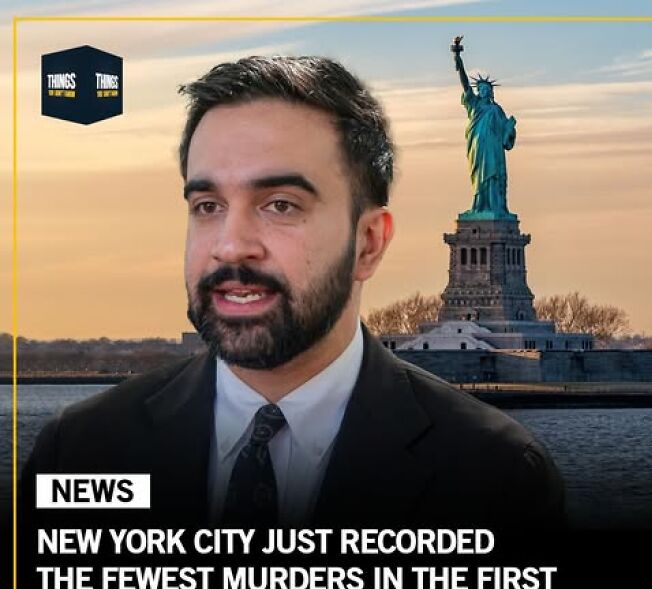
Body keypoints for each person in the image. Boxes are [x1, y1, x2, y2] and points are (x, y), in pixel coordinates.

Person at [21, 55, 564, 529]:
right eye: (207, 206)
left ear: (368, 244)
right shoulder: (78, 454)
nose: (231, 247)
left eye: (281, 204)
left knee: (489, 177)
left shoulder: (495, 476)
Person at [452, 36, 517, 216]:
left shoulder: (497, 110)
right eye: (481, 89)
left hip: (494, 149)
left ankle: (495, 207)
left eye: (487, 89)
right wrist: (457, 57)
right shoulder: (474, 104)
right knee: (480, 177)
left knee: (495, 176)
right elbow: (465, 83)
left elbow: (507, 141)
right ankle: (479, 206)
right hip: (478, 147)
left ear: (491, 92)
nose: (484, 91)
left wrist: (510, 127)